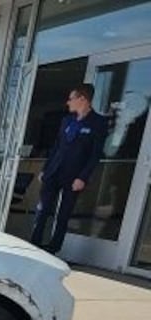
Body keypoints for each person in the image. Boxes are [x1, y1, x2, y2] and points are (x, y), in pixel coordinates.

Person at [30, 83, 108, 255]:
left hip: (74, 177)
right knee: (42, 209)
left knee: (63, 214)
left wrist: (83, 177)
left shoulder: (99, 123)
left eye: (71, 98)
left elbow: (95, 155)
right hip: (54, 172)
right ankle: (34, 245)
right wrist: (45, 169)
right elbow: (56, 147)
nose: (68, 102)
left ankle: (53, 248)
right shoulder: (67, 120)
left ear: (82, 99)